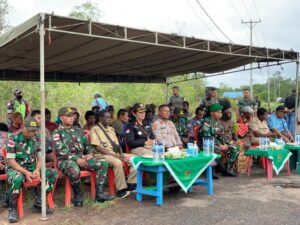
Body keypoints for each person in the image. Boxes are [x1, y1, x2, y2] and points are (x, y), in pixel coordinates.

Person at [52, 107, 113, 206]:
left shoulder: (78, 130)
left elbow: (87, 144)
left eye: (73, 116)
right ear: (61, 117)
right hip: (65, 161)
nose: (72, 118)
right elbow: (61, 151)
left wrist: (89, 153)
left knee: (102, 163)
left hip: (82, 158)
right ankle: (78, 195)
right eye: (68, 116)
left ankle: (100, 194)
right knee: (74, 169)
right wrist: (76, 159)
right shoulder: (57, 133)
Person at [5, 117, 58, 223]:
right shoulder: (12, 139)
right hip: (16, 169)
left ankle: (39, 201)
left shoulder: (36, 139)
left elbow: (40, 158)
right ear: (23, 127)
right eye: (30, 130)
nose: (32, 133)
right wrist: (26, 172)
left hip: (32, 168)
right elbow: (10, 161)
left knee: (52, 173)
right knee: (17, 178)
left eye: (34, 130)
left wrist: (37, 170)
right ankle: (13, 208)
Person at [90, 110, 136, 198]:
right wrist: (113, 155)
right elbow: (97, 147)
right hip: (101, 155)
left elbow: (117, 145)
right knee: (117, 162)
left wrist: (121, 153)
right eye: (106, 117)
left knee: (135, 158)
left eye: (110, 117)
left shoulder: (111, 129)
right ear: (100, 118)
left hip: (114, 153)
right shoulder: (95, 129)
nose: (109, 119)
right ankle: (121, 189)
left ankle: (131, 184)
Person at [198, 103, 239, 177]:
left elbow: (221, 136)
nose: (220, 114)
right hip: (207, 144)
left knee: (235, 148)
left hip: (218, 143)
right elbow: (207, 136)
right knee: (216, 149)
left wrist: (226, 144)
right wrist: (220, 145)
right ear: (212, 113)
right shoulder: (206, 122)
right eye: (218, 112)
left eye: (220, 112)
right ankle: (211, 170)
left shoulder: (219, 123)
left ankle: (228, 169)